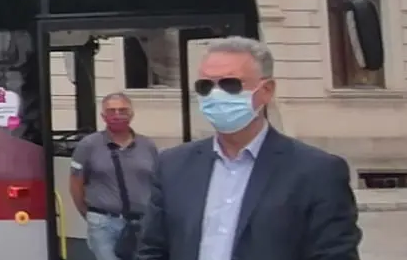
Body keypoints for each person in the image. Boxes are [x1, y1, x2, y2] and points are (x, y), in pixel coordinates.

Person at [135, 37, 362, 260]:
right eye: (205, 86)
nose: (215, 95)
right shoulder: (173, 166)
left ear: (266, 90)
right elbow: (153, 249)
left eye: (230, 84)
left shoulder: (317, 172)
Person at [70, 92, 159, 260]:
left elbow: (156, 182)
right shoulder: (88, 145)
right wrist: (89, 214)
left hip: (141, 223)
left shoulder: (147, 145)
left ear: (131, 114)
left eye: (122, 110)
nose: (117, 115)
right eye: (111, 111)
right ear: (103, 116)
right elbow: (75, 184)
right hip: (104, 223)